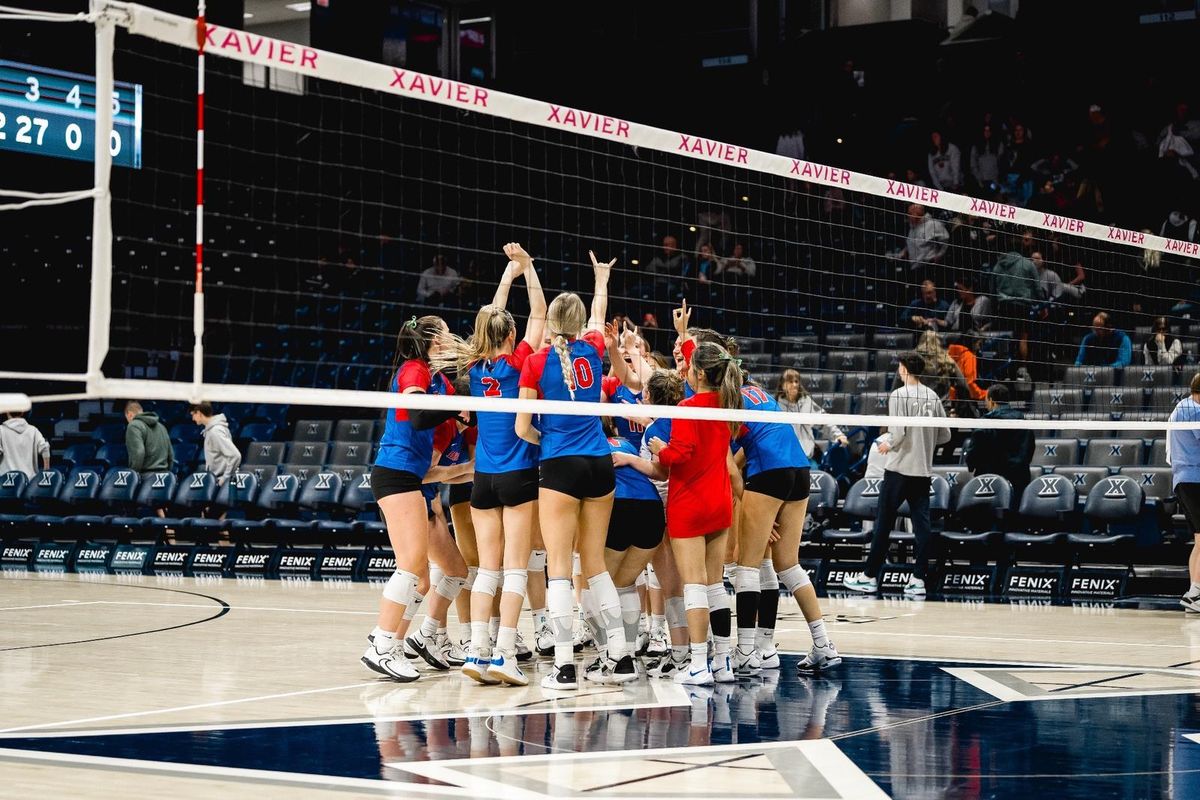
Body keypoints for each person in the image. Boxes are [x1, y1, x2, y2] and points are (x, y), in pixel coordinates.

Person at [517, 250, 633, 690]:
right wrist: (601, 279)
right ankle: (620, 659)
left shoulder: (536, 361)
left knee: (560, 569)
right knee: (597, 564)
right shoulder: (595, 348)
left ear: (549, 324)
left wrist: (545, 442)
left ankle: (564, 667)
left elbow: (522, 426)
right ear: (580, 322)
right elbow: (600, 316)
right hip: (599, 464)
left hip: (561, 467)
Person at [435, 243, 547, 686]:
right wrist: (530, 269)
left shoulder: (477, 368)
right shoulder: (518, 363)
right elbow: (539, 314)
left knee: (487, 569)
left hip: (483, 481)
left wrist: (507, 275)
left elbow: (490, 317)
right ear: (510, 336)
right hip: (518, 476)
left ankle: (476, 651)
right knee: (515, 570)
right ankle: (504, 655)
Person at [360, 314, 466, 682]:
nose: (453, 340)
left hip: (415, 479)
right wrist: (457, 407)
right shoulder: (413, 370)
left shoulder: (438, 380)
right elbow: (420, 417)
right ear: (435, 341)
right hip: (396, 474)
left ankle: (399, 640)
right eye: (449, 335)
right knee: (410, 567)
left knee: (431, 574)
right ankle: (382, 646)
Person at [647, 337, 742, 686]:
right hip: (719, 502)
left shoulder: (687, 407)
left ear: (699, 373)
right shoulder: (728, 401)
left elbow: (679, 457)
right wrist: (686, 336)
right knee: (716, 585)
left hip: (690, 504)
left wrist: (660, 448)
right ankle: (724, 662)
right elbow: (702, 361)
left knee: (695, 586)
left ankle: (699, 664)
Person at [733, 376, 841, 677]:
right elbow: (754, 441)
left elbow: (729, 468)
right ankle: (823, 644)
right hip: (800, 471)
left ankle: (745, 653)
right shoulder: (760, 395)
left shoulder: (725, 401)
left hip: (768, 473)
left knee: (747, 567)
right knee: (788, 566)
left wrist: (756, 512)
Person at [844, 353, 950, 596]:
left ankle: (869, 577)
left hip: (899, 469)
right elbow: (946, 435)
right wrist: (925, 442)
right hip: (922, 470)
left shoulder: (899, 395)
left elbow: (899, 432)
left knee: (883, 523)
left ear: (903, 369)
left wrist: (888, 444)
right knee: (922, 525)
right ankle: (918, 581)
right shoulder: (932, 396)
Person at [963, 384, 1034, 506]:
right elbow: (1029, 451)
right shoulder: (1023, 422)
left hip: (989, 484)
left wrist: (971, 465)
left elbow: (972, 457)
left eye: (986, 400)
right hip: (1018, 482)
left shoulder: (983, 425)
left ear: (991, 401)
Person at [1168, 372, 1200, 613]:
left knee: (1199, 539)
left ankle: (1194, 592)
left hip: (1183, 479)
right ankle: (1195, 594)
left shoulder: (1181, 405)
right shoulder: (1195, 410)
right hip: (1194, 480)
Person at [774, 368, 849, 463]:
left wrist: (838, 435)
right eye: (790, 382)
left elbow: (823, 421)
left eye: (796, 381)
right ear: (782, 385)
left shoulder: (807, 402)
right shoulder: (775, 406)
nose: (794, 385)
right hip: (784, 459)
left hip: (806, 457)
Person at [188, 402, 241, 486]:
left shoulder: (215, 431)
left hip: (220, 482)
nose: (192, 419)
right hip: (215, 479)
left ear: (198, 413)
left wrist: (224, 479)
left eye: (192, 415)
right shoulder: (212, 430)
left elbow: (235, 455)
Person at [896, 204, 949, 282]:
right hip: (915, 269)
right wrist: (902, 253)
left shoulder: (933, 224)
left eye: (910, 213)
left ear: (918, 213)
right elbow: (912, 243)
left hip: (929, 267)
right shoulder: (912, 228)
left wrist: (939, 256)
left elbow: (945, 241)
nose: (908, 216)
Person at [124, 401, 173, 475]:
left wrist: (133, 474)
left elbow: (138, 452)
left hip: (145, 477)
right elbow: (171, 455)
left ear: (129, 414)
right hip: (164, 476)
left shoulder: (133, 425)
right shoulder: (161, 426)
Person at [0, 411, 50, 479]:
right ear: (22, 412)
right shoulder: (33, 430)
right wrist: (46, 473)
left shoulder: (1, 430)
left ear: (7, 412)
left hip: (7, 482)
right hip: (29, 482)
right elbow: (45, 449)